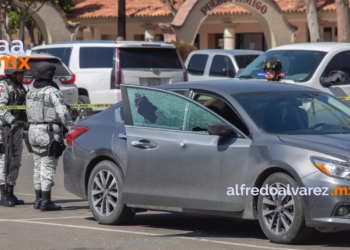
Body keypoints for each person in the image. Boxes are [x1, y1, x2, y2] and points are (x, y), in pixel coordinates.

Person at [26, 61, 73, 211]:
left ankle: (38, 199)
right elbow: (63, 112)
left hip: (33, 131)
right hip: (49, 132)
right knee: (48, 166)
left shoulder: (30, 92)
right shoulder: (52, 92)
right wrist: (71, 127)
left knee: (38, 166)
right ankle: (46, 201)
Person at [0, 58, 27, 207]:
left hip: (17, 129)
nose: (23, 75)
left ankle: (10, 192)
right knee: (5, 161)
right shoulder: (4, 86)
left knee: (16, 161)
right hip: (5, 129)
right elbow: (1, 107)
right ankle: (3, 194)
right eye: (20, 73)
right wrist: (11, 120)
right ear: (13, 73)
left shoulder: (19, 87)